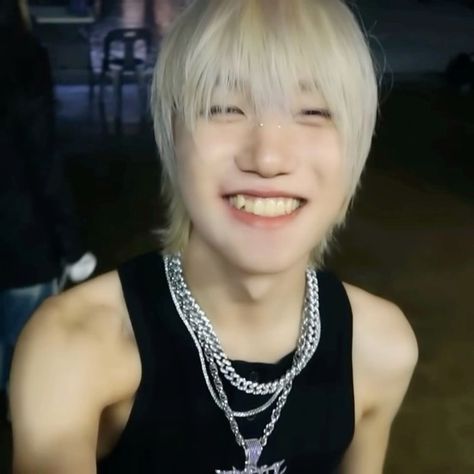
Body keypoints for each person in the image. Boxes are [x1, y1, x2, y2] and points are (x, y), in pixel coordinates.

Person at [10, 0, 418, 473]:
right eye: (225, 107)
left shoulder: (380, 348)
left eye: (313, 111)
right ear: (172, 135)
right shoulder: (75, 346)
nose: (268, 158)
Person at [0, 0, 96, 402]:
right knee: (27, 353)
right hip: (23, 239)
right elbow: (43, 159)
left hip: (22, 232)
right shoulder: (21, 57)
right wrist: (72, 247)